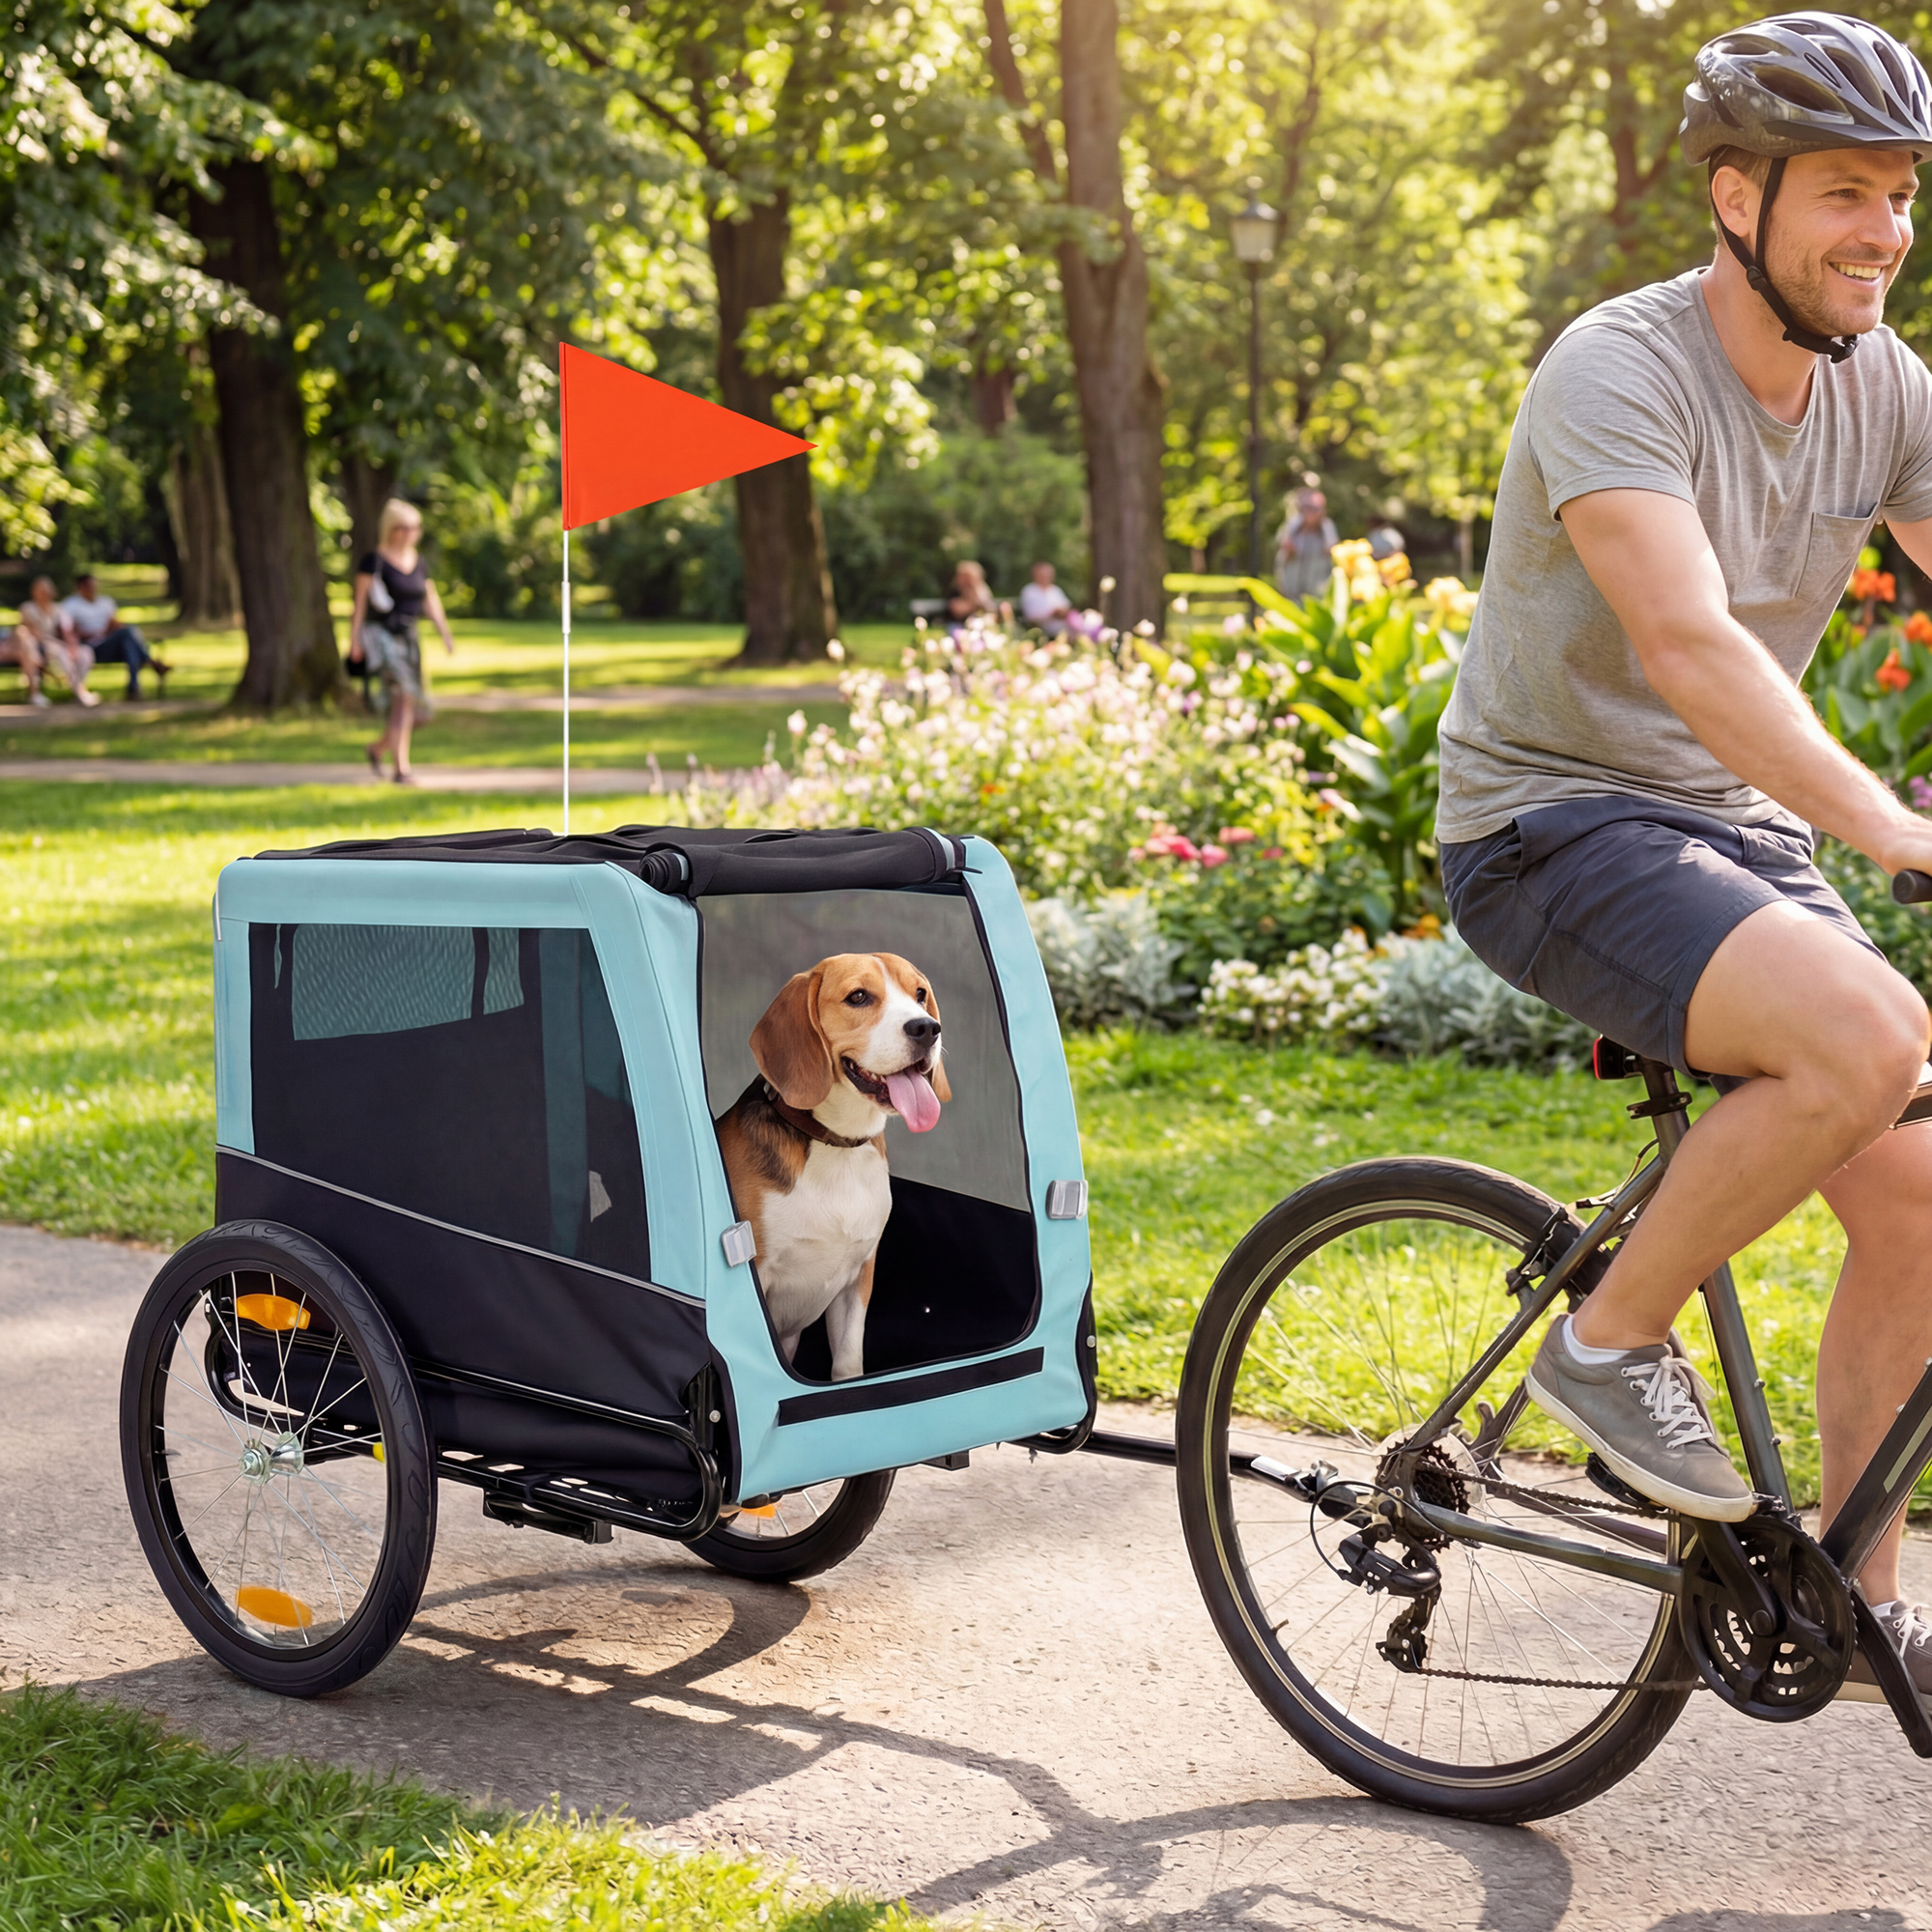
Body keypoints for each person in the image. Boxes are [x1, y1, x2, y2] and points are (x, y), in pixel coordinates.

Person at [1435, 13, 1932, 1693]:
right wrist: (1892, 826)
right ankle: (1608, 1342)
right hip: (1546, 823)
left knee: (1931, 1198)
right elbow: (1693, 645)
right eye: (1844, 193)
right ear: (1738, 196)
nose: (1883, 229)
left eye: (1903, 195)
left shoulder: (1891, 388)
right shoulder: (1619, 369)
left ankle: (1857, 1603)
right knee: (1869, 1036)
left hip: (1724, 831)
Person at [353, 497, 454, 784]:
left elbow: (429, 599)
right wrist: (354, 643)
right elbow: (359, 604)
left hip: (410, 638)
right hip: (383, 638)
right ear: (390, 528)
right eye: (404, 527)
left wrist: (444, 632)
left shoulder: (418, 561)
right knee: (403, 700)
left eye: (415, 527)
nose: (411, 533)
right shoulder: (374, 561)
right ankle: (401, 769)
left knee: (419, 710)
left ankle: (377, 748)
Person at [60, 573, 169, 699]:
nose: (93, 590)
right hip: (89, 647)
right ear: (80, 588)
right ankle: (150, 664)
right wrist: (95, 633)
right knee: (128, 634)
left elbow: (115, 623)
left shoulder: (105, 602)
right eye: (90, 587)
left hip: (109, 644)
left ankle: (133, 687)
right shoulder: (70, 605)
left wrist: (110, 629)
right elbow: (68, 631)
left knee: (128, 644)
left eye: (95, 587)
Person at [11, 577, 98, 707]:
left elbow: (67, 630)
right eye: (40, 591)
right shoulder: (28, 608)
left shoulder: (58, 609)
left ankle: (78, 688)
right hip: (39, 647)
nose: (44, 594)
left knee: (85, 653)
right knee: (62, 654)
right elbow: (31, 631)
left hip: (57, 644)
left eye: (46, 590)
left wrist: (72, 646)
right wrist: (59, 644)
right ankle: (80, 691)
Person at [1274, 488, 1338, 601]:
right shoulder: (1292, 526)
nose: (1315, 512)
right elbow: (1281, 554)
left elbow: (1335, 555)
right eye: (1310, 508)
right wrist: (1289, 551)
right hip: (1291, 591)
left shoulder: (1327, 527)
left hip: (1318, 594)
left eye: (1319, 508)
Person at [945, 559, 1009, 630]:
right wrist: (974, 603)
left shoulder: (980, 589)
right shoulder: (954, 591)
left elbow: (990, 608)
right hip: (958, 627)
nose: (968, 582)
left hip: (979, 626)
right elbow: (958, 611)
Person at [1017, 561, 1072, 637]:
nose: (1046, 576)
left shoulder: (1055, 590)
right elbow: (1030, 617)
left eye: (1048, 574)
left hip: (1063, 630)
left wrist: (1062, 611)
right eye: (1043, 574)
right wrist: (1052, 614)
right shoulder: (1029, 591)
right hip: (1042, 633)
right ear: (1035, 575)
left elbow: (1066, 606)